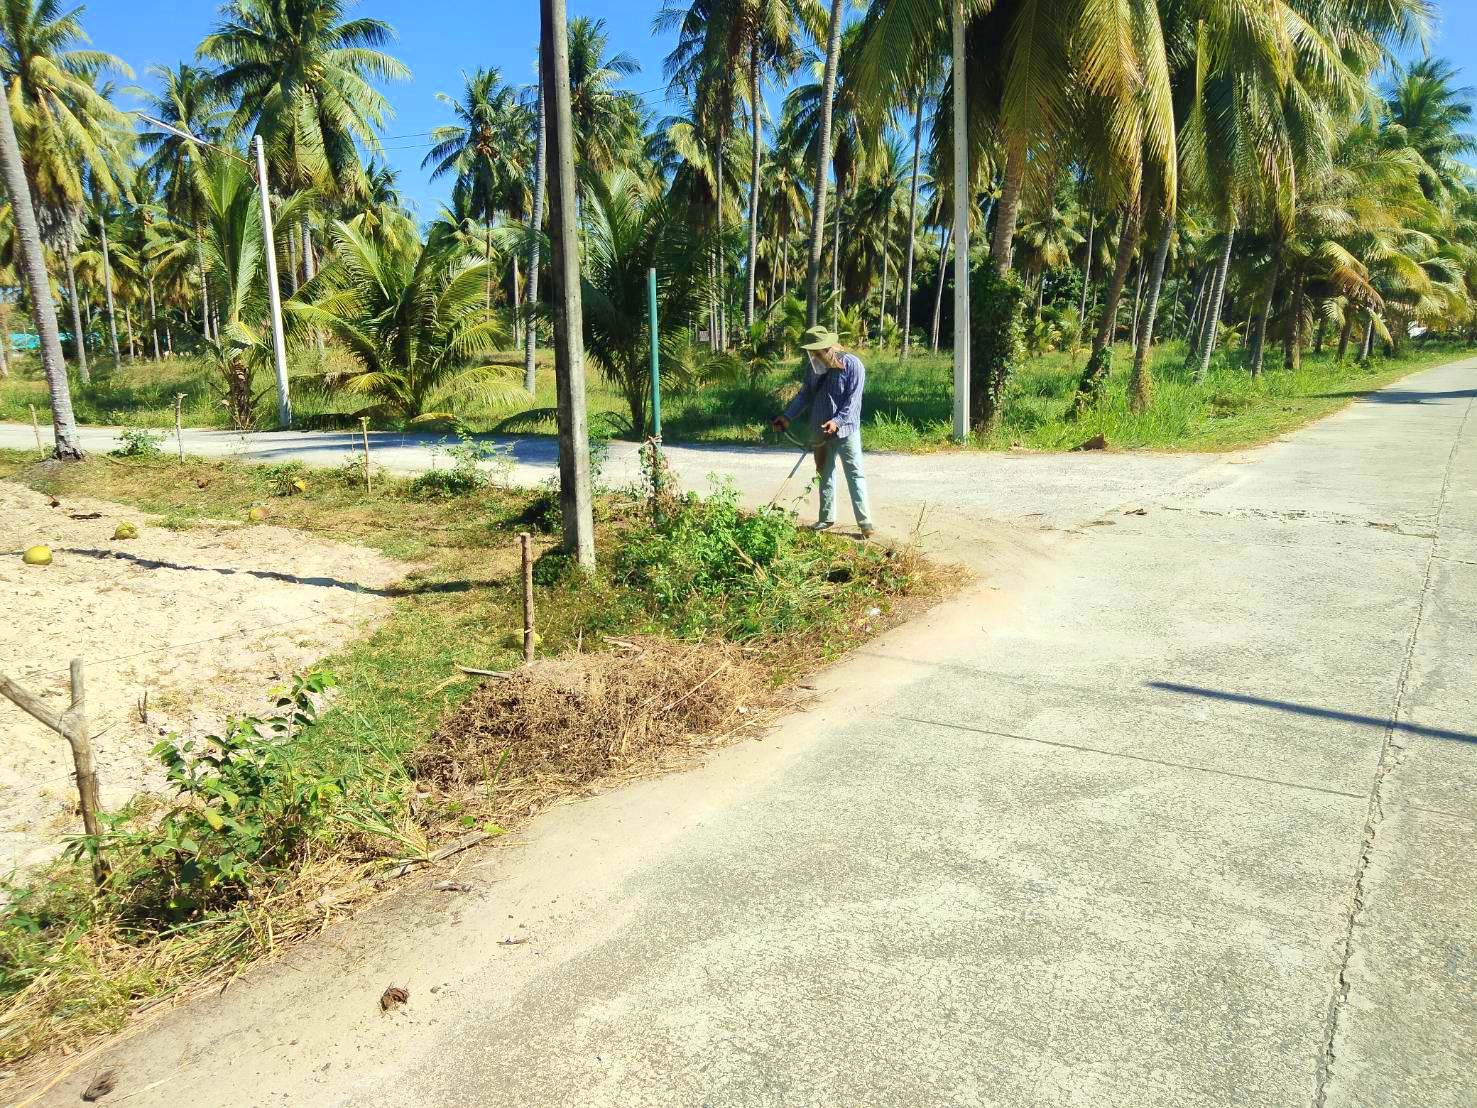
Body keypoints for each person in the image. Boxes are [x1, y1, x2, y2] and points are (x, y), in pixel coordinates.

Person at [772, 325, 874, 536]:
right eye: (813, 353)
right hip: (820, 431)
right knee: (824, 474)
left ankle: (865, 524)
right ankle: (826, 519)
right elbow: (805, 395)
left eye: (819, 352)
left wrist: (837, 421)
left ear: (830, 348)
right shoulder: (814, 368)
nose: (816, 356)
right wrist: (787, 417)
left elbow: (853, 402)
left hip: (846, 431)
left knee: (855, 474)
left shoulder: (853, 365)